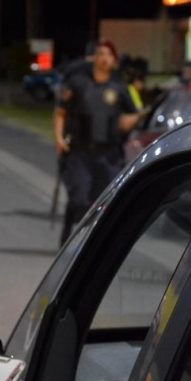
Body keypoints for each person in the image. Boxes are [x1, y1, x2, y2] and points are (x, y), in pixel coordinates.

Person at [54, 39, 144, 244]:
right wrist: (59, 138)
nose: (104, 59)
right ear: (95, 58)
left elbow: (129, 118)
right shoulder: (78, 83)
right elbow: (60, 112)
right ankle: (71, 241)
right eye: (100, 54)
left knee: (105, 203)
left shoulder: (120, 87)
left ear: (114, 60)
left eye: (108, 55)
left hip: (109, 155)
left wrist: (135, 118)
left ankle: (90, 245)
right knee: (80, 200)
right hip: (80, 152)